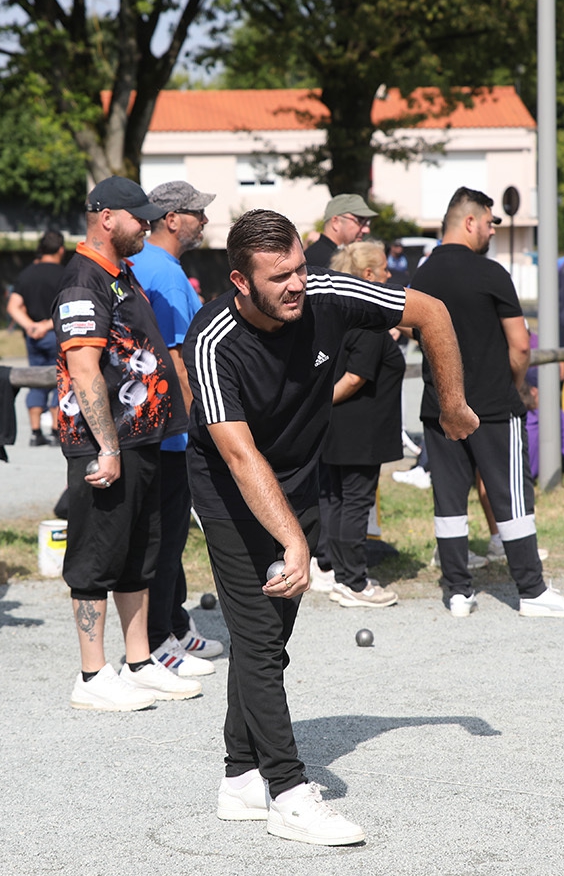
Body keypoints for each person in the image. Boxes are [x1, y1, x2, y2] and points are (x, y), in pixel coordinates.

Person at [185, 208, 477, 846]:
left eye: (298, 268)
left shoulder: (326, 291)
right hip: (233, 492)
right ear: (240, 281)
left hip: (299, 476)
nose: (297, 285)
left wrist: (452, 403)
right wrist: (292, 541)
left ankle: (240, 778)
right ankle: (289, 793)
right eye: (279, 276)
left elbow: (432, 314)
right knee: (259, 637)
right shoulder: (210, 342)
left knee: (274, 635)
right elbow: (238, 455)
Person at [53, 177, 199, 711]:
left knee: (141, 554)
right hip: (105, 445)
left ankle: (138, 662)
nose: (147, 224)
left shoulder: (121, 274)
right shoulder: (82, 282)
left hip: (144, 439)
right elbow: (85, 370)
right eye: (138, 216)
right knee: (97, 557)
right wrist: (107, 448)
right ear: (105, 216)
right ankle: (92, 675)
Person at [411, 187, 564, 616]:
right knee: (512, 497)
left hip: (439, 407)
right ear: (470, 221)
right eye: (490, 222)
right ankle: (531, 591)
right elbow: (521, 345)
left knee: (449, 500)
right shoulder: (491, 273)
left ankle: (457, 591)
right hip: (492, 405)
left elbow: (415, 334)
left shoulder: (420, 276)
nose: (492, 230)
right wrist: (517, 387)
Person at [133, 180, 223, 676]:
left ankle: (172, 622)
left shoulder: (154, 265)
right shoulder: (163, 274)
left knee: (166, 536)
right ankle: (158, 639)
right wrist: (197, 428)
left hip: (158, 428)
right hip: (171, 432)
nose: (204, 221)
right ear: (172, 218)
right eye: (197, 213)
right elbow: (176, 361)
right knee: (165, 537)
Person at [321, 241, 406, 608]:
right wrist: (323, 402)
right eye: (384, 268)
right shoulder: (368, 320)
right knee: (354, 502)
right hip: (360, 428)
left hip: (334, 428)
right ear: (368, 275)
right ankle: (354, 582)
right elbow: (355, 377)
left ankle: (337, 574)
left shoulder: (335, 313)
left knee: (334, 499)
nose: (390, 275)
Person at [5, 230, 66, 446]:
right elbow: (66, 308)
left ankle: (35, 432)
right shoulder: (65, 274)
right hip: (56, 334)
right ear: (61, 249)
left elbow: (13, 306)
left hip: (33, 338)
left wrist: (31, 326)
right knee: (60, 379)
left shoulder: (27, 274)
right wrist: (46, 325)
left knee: (35, 380)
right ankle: (56, 431)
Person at [302, 194, 375, 268]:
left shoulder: (335, 256)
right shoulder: (326, 262)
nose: (366, 230)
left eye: (367, 222)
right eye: (360, 221)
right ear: (335, 222)